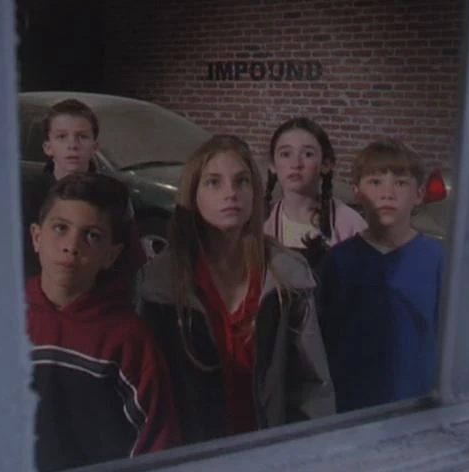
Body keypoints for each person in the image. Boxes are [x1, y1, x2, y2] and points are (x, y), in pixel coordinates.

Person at [138, 134, 335, 445]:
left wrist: (310, 454)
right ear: (193, 195)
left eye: (241, 181)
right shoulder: (160, 284)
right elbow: (149, 391)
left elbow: (312, 385)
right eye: (214, 183)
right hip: (191, 453)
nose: (231, 193)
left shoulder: (287, 276)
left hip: (268, 451)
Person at [26, 173, 179, 471]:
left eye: (92, 235)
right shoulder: (4, 321)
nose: (71, 246)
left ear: (111, 255)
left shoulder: (128, 340)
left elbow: (157, 443)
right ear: (36, 237)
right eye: (60, 228)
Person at [317, 139, 444, 413]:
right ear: (357, 192)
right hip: (348, 408)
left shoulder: (439, 261)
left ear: (419, 194)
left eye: (400, 183)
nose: (388, 193)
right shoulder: (337, 262)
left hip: (417, 407)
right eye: (375, 182)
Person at [22, 98, 147, 282]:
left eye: (82, 137)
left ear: (95, 146)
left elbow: (131, 259)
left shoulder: (114, 195)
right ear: (48, 147)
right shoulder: (28, 196)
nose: (72, 145)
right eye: (62, 136)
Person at [264, 117, 366, 268]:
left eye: (308, 154)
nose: (296, 164)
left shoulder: (349, 223)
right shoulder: (263, 225)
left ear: (325, 165)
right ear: (273, 165)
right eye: (285, 154)